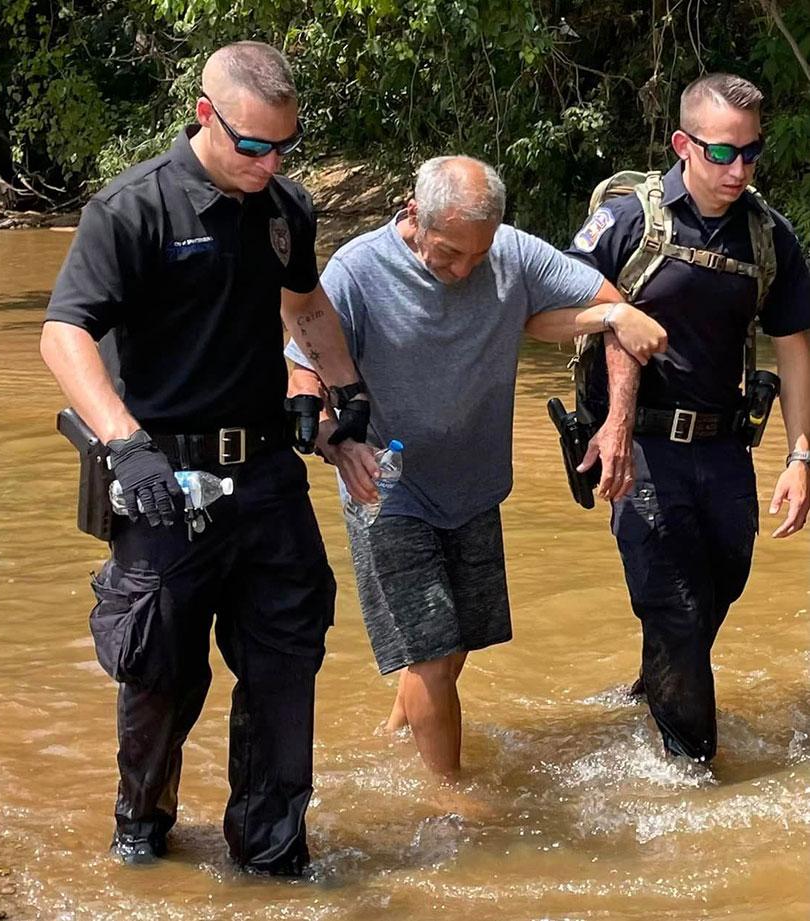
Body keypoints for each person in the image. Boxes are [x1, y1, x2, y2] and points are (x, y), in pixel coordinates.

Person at [40, 41, 371, 874]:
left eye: (283, 147)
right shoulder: (132, 210)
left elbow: (307, 304)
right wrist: (126, 445)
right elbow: (63, 332)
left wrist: (347, 395)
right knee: (161, 673)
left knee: (286, 659)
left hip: (264, 477)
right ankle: (143, 833)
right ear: (204, 116)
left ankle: (271, 851)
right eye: (251, 144)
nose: (269, 162)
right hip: (165, 485)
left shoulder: (284, 209)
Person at [286, 155, 667, 777]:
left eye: (476, 254)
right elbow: (305, 364)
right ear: (413, 214)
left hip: (473, 487)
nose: (464, 269)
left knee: (451, 648)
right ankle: (448, 801)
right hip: (387, 486)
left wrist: (615, 313)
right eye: (449, 252)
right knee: (434, 656)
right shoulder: (358, 269)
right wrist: (333, 441)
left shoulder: (509, 253)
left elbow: (598, 301)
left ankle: (391, 739)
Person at [565, 73, 810, 762]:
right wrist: (615, 313)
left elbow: (793, 348)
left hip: (725, 451)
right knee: (675, 607)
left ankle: (652, 689)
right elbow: (543, 311)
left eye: (752, 153)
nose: (740, 169)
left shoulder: (769, 236)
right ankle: (691, 769)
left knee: (716, 589)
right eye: (723, 153)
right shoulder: (626, 221)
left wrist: (800, 456)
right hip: (642, 446)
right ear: (683, 144)